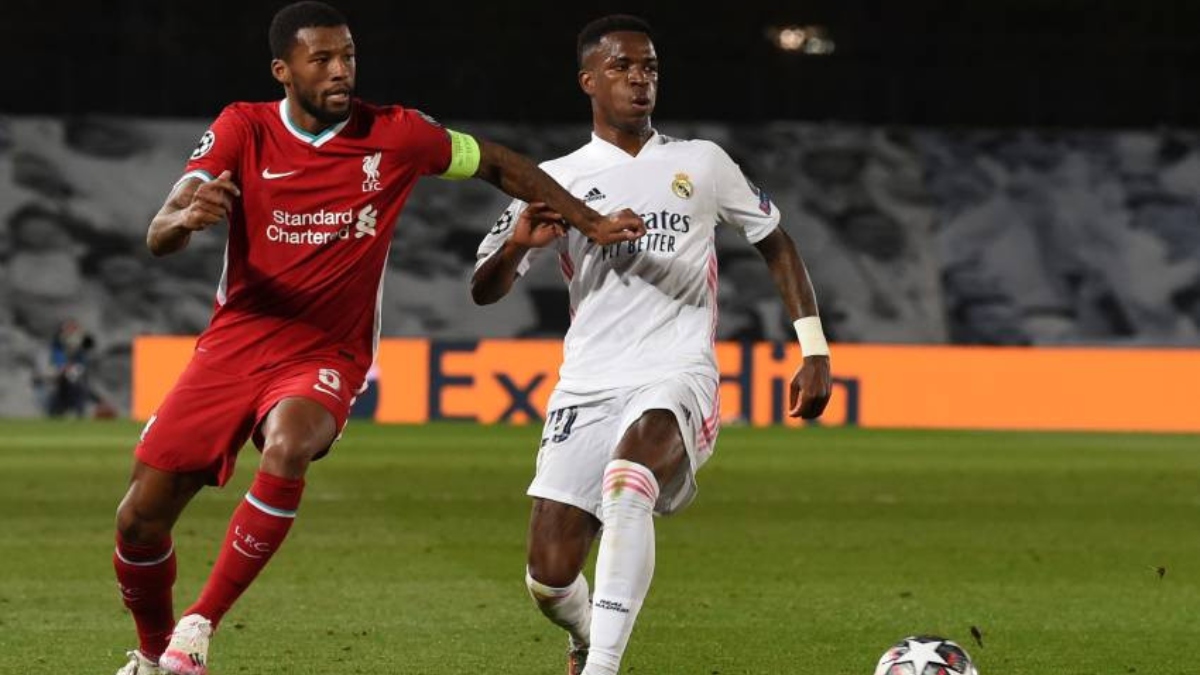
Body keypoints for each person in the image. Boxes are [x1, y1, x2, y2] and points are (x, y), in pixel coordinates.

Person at [110, 4, 646, 675]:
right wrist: (185, 219)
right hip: (235, 344)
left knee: (289, 444)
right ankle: (155, 653)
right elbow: (162, 228)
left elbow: (500, 164)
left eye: (349, 57)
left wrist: (587, 220)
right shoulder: (241, 127)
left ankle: (199, 626)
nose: (341, 71)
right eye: (323, 59)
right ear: (283, 70)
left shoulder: (395, 134)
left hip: (325, 351)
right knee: (139, 519)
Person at [470, 15, 832, 675]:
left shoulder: (702, 162)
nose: (640, 79)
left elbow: (775, 239)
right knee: (549, 578)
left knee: (629, 479)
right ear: (588, 81)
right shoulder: (556, 177)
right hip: (588, 381)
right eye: (622, 67)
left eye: (650, 68)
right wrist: (519, 245)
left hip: (676, 370)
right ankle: (585, 636)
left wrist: (814, 348)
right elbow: (484, 286)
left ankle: (603, 667)